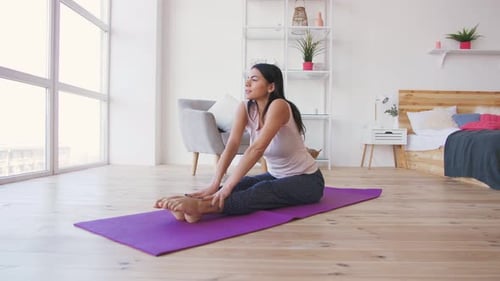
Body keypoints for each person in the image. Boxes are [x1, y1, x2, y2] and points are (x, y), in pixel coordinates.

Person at [154, 63, 325, 223]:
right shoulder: (245, 107)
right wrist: (215, 184)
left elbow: (256, 148)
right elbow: (232, 144)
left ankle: (202, 207)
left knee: (261, 190)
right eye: (248, 78)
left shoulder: (279, 106)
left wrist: (227, 187)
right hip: (277, 175)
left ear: (271, 87)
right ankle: (194, 200)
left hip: (307, 181)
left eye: (255, 79)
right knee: (242, 184)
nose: (247, 82)